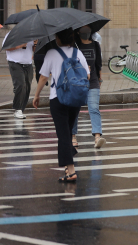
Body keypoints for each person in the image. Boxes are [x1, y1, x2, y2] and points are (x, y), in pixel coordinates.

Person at [33, 28, 90, 182]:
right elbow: (87, 74)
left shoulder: (52, 53)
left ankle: (71, 171)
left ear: (58, 37)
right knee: (68, 131)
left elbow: (43, 77)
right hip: (75, 98)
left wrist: (37, 95)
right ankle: (68, 162)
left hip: (58, 98)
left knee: (63, 135)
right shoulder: (78, 53)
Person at [70, 26, 106, 149]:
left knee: (94, 108)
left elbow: (98, 64)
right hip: (77, 82)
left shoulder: (95, 45)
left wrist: (100, 79)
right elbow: (69, 65)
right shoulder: (73, 46)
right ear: (78, 31)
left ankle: (97, 136)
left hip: (93, 82)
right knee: (74, 111)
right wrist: (82, 68)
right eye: (83, 30)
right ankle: (73, 136)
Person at [2, 29, 34, 119]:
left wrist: (35, 44)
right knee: (20, 84)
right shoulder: (11, 34)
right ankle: (18, 109)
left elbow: (34, 50)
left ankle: (21, 109)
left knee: (27, 86)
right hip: (15, 63)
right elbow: (5, 47)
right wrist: (19, 46)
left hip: (28, 64)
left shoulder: (32, 35)